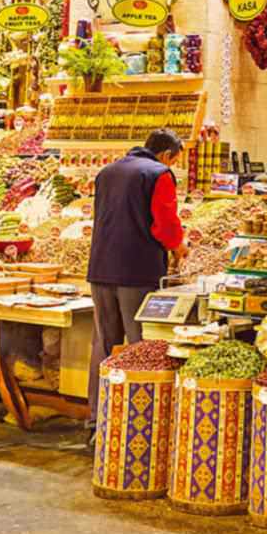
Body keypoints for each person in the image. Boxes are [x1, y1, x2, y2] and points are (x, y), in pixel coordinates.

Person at [86, 129, 187, 438]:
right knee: (140, 345)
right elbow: (165, 224)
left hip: (101, 268)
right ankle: (136, 424)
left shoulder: (107, 171)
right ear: (167, 155)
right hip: (137, 270)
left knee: (104, 343)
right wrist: (178, 246)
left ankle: (97, 422)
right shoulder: (159, 174)